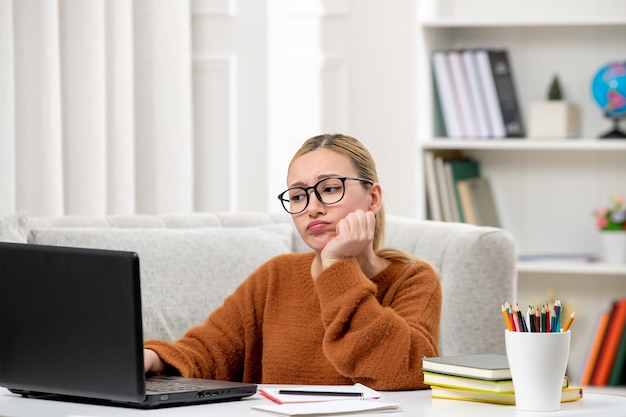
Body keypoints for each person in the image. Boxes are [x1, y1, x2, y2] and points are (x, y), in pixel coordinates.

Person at [143, 133, 441, 390]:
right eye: (298, 196)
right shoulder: (276, 275)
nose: (312, 208)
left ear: (373, 198)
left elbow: (410, 371)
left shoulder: (413, 279)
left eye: (330, 189)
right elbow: (209, 350)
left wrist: (338, 265)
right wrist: (153, 358)